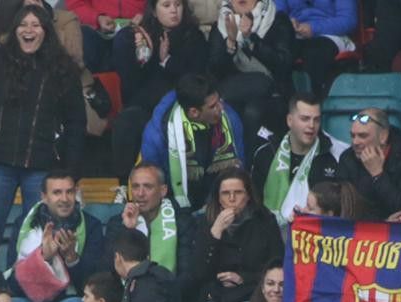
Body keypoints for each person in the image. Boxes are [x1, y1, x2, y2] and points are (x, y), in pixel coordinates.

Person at [0, 0, 86, 244]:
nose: (29, 30)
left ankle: (28, 282)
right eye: (22, 24)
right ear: (14, 30)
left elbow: (76, 123)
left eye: (35, 24)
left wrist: (69, 171)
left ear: (46, 31)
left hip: (41, 167)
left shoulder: (63, 70)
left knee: (37, 237)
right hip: (0, 166)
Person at [110, 0, 210, 178]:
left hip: (179, 106)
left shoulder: (193, 36)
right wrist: (142, 55)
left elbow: (195, 80)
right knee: (127, 121)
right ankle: (126, 186)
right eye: (166, 5)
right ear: (154, 12)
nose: (174, 10)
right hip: (145, 105)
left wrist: (167, 62)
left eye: (178, 5)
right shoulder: (142, 35)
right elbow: (131, 84)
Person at [187, 167, 283, 302]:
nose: (232, 199)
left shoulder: (264, 221)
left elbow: (276, 265)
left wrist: (243, 278)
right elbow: (197, 272)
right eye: (226, 194)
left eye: (238, 192)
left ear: (248, 196)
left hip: (250, 293)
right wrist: (215, 232)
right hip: (214, 294)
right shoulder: (205, 222)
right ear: (218, 198)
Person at [6, 171, 106, 302]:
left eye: (69, 192)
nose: (65, 199)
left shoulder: (91, 225)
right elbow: (12, 283)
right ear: (44, 197)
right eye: (57, 192)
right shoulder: (24, 224)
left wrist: (72, 259)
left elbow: (95, 285)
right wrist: (42, 259)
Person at [138, 73, 247, 211]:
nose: (221, 108)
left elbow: (239, 171)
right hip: (174, 204)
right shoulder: (156, 136)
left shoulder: (230, 119)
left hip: (218, 201)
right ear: (194, 112)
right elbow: (153, 185)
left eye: (220, 100)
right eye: (213, 106)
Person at [210, 0, 296, 158]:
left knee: (253, 112)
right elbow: (216, 70)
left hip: (274, 94)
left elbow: (284, 64)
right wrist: (230, 43)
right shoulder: (222, 23)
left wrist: (251, 39)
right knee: (225, 112)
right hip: (234, 93)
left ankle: (252, 169)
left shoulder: (277, 20)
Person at [250, 94, 340, 223]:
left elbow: (337, 208)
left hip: (315, 236)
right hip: (270, 235)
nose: (311, 125)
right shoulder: (265, 154)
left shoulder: (331, 156)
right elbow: (254, 202)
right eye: (305, 119)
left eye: (316, 120)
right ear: (290, 120)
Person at [103, 163, 195, 282]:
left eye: (148, 187)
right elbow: (107, 271)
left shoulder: (182, 221)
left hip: (170, 295)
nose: (140, 194)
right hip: (127, 297)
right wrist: (128, 230)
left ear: (163, 190)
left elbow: (188, 274)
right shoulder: (117, 223)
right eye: (135, 187)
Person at [336, 108, 401, 219]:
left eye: (363, 136)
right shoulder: (347, 158)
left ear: (383, 136)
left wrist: (378, 175)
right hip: (363, 230)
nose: (355, 142)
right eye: (353, 136)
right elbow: (344, 206)